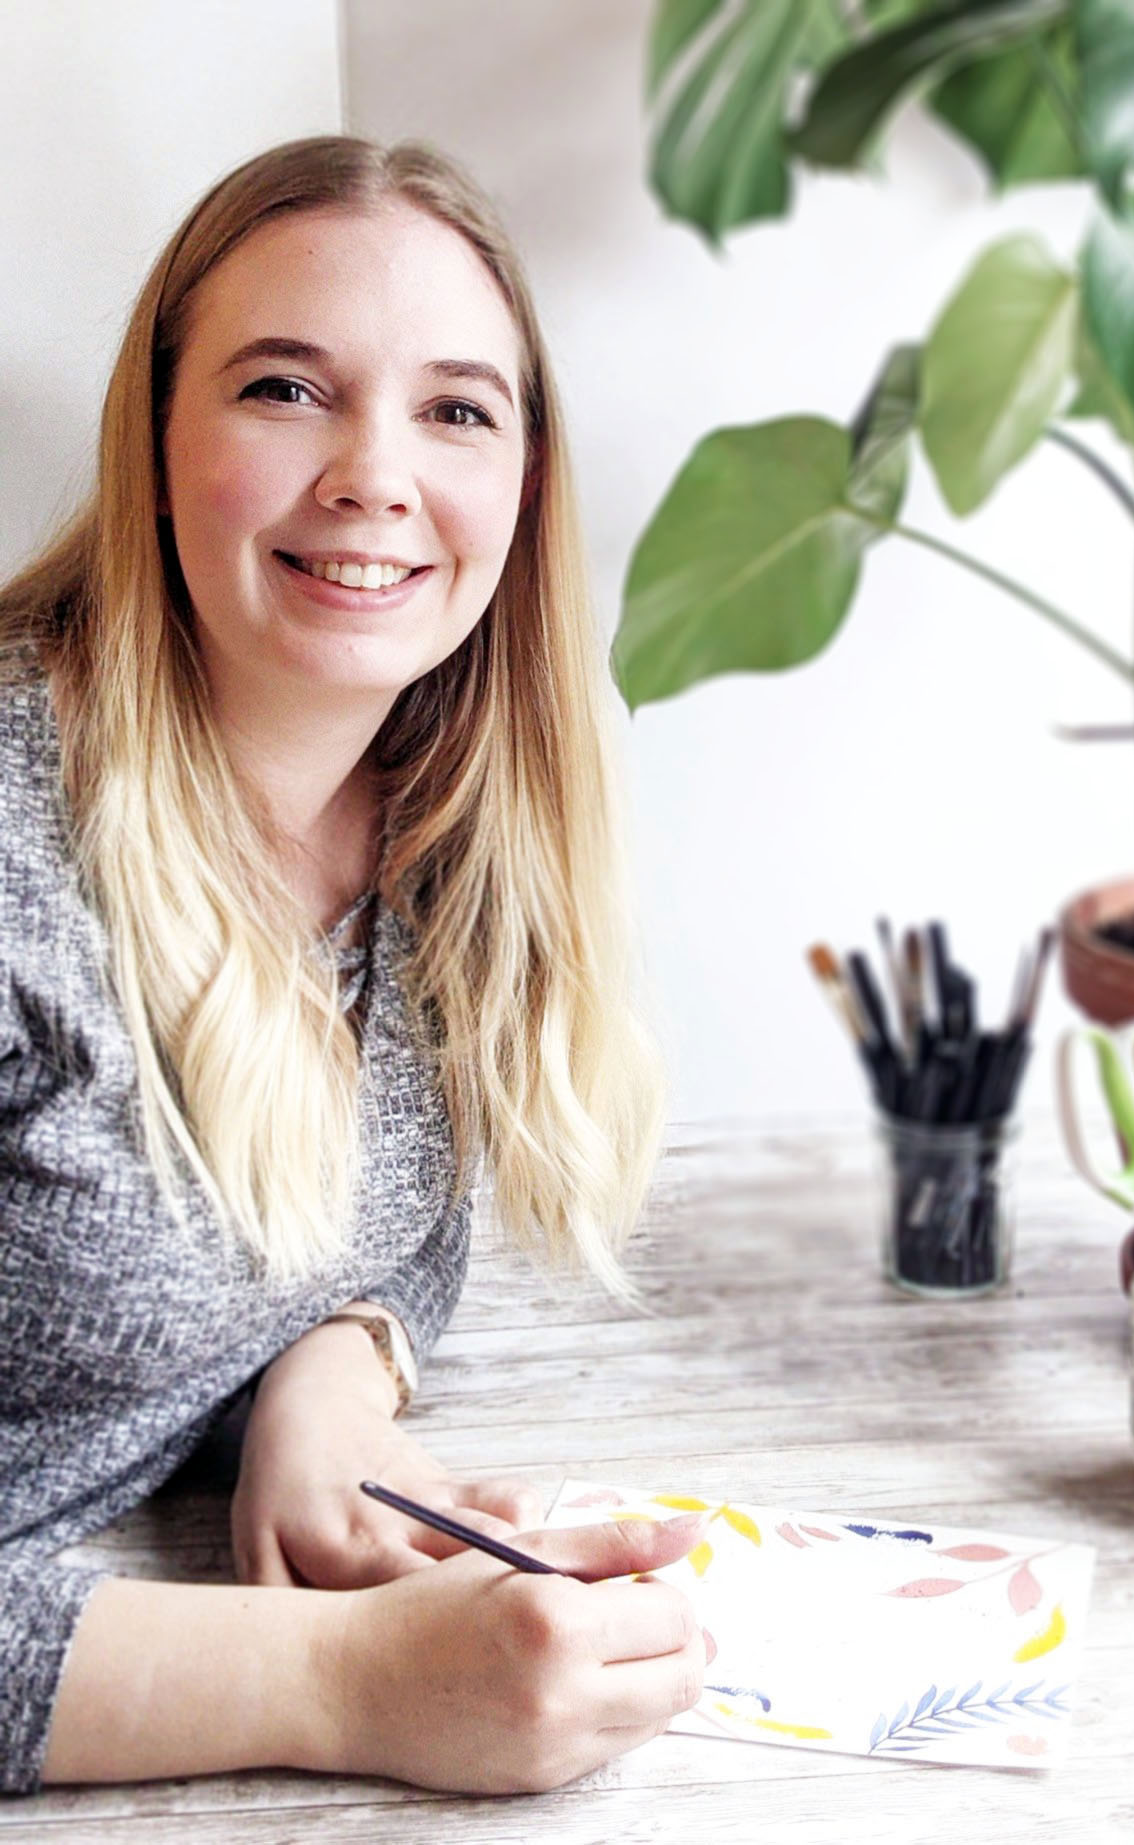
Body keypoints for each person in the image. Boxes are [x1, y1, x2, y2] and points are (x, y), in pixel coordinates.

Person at [0, 135, 707, 1798]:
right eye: (285, 389)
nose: (375, 475)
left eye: (457, 408)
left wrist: (331, 1373)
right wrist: (350, 1683)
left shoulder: (442, 812)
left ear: (524, 484)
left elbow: (403, 1213)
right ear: (157, 441)